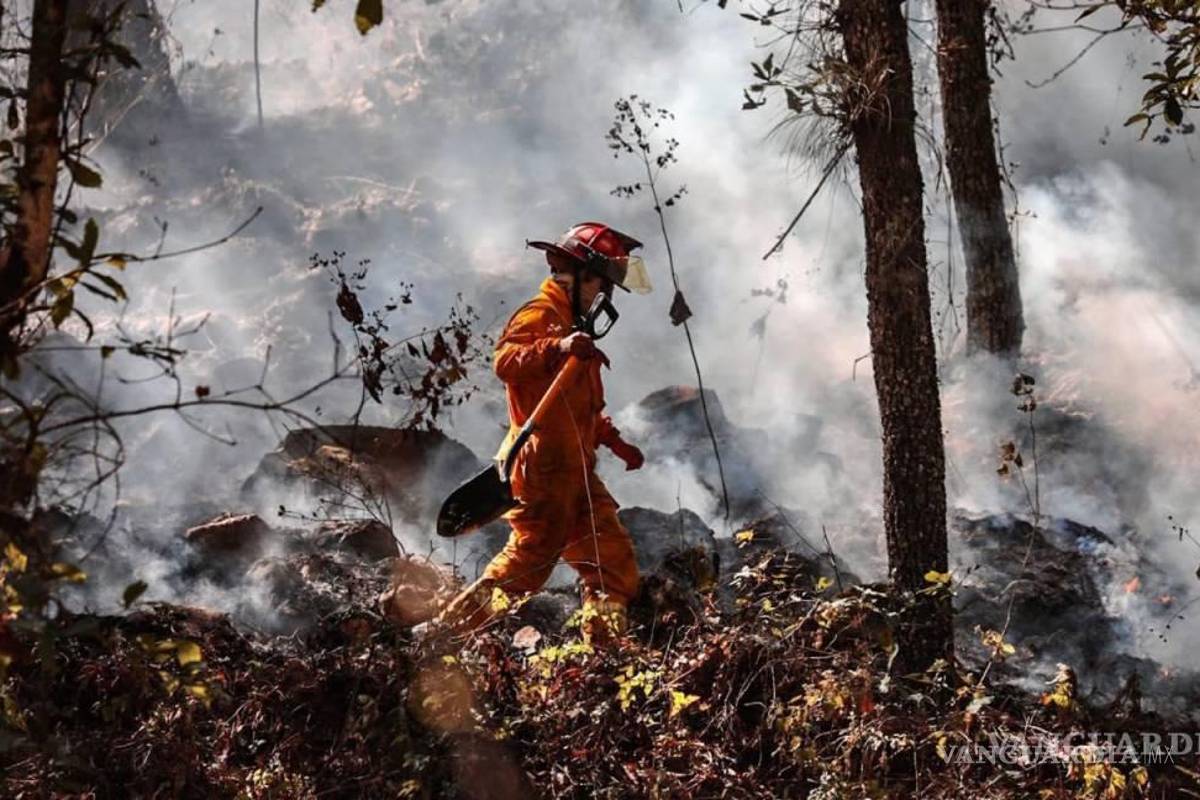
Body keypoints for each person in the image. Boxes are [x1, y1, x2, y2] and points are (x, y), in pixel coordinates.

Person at [435, 222, 652, 643]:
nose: (602, 295)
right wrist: (556, 347)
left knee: (613, 564)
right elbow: (505, 362)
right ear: (580, 277)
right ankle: (442, 637)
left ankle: (603, 655)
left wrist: (614, 441)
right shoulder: (542, 315)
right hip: (542, 471)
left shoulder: (576, 328)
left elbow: (576, 410)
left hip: (576, 472)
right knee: (527, 568)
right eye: (601, 285)